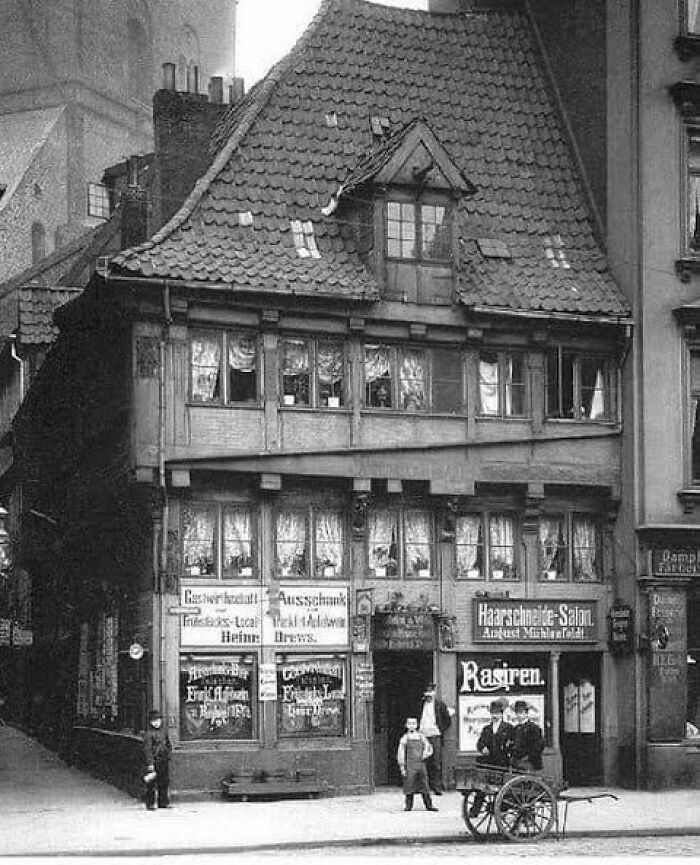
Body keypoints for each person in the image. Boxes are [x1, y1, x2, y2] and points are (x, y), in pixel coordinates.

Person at [469, 699, 514, 818]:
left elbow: (513, 744)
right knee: (482, 786)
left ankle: (501, 809)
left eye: (497, 713)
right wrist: (482, 748)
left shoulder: (508, 728)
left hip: (501, 762)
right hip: (488, 762)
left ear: (502, 714)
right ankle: (475, 809)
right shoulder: (486, 729)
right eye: (493, 713)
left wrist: (508, 748)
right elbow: (480, 743)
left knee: (501, 788)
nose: (495, 715)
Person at [396, 717, 439, 812]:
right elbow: (401, 752)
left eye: (414, 723)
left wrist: (426, 754)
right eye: (410, 724)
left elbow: (428, 747)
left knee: (424, 784)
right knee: (409, 784)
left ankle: (429, 805)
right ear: (406, 725)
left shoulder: (421, 736)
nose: (412, 726)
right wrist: (402, 766)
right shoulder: (405, 738)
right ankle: (408, 805)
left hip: (421, 764)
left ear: (417, 725)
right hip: (410, 764)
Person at [418, 682, 452, 795]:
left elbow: (447, 720)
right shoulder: (420, 704)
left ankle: (436, 787)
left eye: (431, 692)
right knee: (422, 762)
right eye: (427, 692)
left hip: (435, 736)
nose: (429, 695)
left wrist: (440, 730)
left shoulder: (439, 704)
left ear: (434, 692)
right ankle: (423, 787)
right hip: (422, 736)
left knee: (436, 762)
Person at [143, 709, 172, 810]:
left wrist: (168, 755)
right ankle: (150, 803)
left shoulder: (164, 732)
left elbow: (168, 744)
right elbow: (147, 749)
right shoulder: (148, 734)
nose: (156, 723)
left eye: (158, 720)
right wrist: (150, 763)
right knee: (151, 784)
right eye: (154, 721)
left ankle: (163, 802)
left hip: (163, 760)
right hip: (154, 761)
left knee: (164, 781)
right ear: (150, 722)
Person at [510, 700, 544, 772]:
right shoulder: (515, 729)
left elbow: (538, 746)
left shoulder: (534, 728)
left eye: (521, 713)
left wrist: (527, 758)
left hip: (530, 763)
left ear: (526, 713)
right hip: (516, 763)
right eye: (517, 713)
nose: (519, 715)